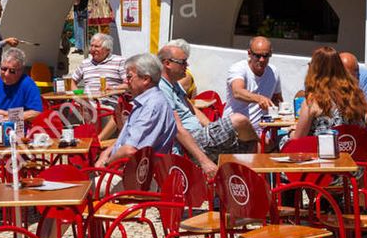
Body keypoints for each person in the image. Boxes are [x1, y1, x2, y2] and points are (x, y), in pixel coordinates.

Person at [157, 42, 258, 177]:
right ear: (167, 63)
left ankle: (247, 179)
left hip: (199, 135)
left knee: (249, 145)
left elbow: (192, 108)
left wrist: (211, 127)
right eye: (182, 62)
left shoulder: (174, 84)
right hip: (189, 141)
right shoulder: (161, 87)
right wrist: (203, 161)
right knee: (240, 121)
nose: (187, 66)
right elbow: (177, 129)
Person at [97, 53, 177, 166]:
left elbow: (129, 151)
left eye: (129, 77)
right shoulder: (146, 102)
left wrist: (106, 164)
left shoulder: (151, 106)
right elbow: (128, 138)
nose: (126, 81)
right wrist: (106, 152)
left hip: (134, 176)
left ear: (145, 79)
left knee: (82, 182)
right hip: (128, 170)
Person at [292, 47, 367, 139]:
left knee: (282, 139)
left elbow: (298, 138)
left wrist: (290, 132)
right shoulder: (356, 94)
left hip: (323, 151)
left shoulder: (313, 100)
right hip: (353, 149)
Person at [226, 36, 282, 131]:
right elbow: (237, 92)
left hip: (262, 128)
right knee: (267, 144)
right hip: (236, 128)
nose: (262, 60)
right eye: (257, 55)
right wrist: (259, 98)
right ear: (249, 53)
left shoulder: (273, 72)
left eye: (265, 56)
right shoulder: (238, 68)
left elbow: (277, 99)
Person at [0, 47, 43, 119]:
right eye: (3, 69)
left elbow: (37, 112)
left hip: (18, 128)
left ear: (21, 70)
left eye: (12, 71)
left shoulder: (28, 84)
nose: (6, 74)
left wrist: (8, 114)